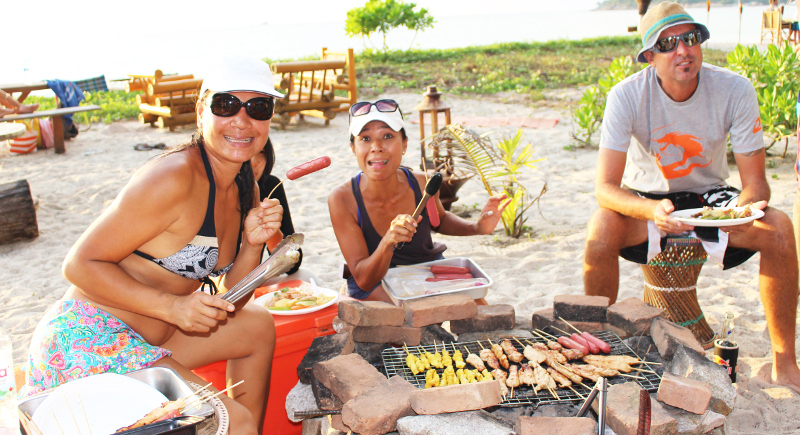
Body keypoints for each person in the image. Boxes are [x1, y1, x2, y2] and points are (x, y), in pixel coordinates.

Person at [21, 56, 285, 434]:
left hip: (153, 338)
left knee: (256, 324)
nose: (242, 121)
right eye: (226, 105)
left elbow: (234, 302)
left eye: (258, 107)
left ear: (269, 119)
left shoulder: (246, 185)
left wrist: (250, 245)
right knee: (233, 420)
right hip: (89, 339)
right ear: (200, 111)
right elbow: (78, 264)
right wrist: (173, 306)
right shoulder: (173, 177)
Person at [582, 2, 800, 393]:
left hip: (712, 198)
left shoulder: (734, 88)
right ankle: (596, 349)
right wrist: (650, 208)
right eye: (667, 44)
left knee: (780, 228)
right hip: (648, 199)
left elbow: (756, 186)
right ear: (649, 56)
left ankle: (784, 362)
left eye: (690, 37)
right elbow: (605, 189)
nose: (682, 50)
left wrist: (737, 212)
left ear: (700, 42)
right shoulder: (626, 95)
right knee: (600, 228)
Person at [328, 99, 510, 302]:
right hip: (376, 282)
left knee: (479, 308)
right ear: (353, 147)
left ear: (404, 144)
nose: (376, 147)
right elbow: (364, 279)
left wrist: (477, 227)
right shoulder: (343, 199)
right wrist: (388, 241)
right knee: (410, 317)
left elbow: (438, 220)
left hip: (426, 272)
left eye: (387, 136)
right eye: (365, 138)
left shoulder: (422, 183)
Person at [251, 137, 303, 275]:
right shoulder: (212, 190)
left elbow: (293, 264)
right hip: (213, 285)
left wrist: (269, 228)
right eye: (247, 151)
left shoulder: (270, 186)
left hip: (253, 280)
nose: (254, 162)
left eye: (261, 152)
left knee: (306, 276)